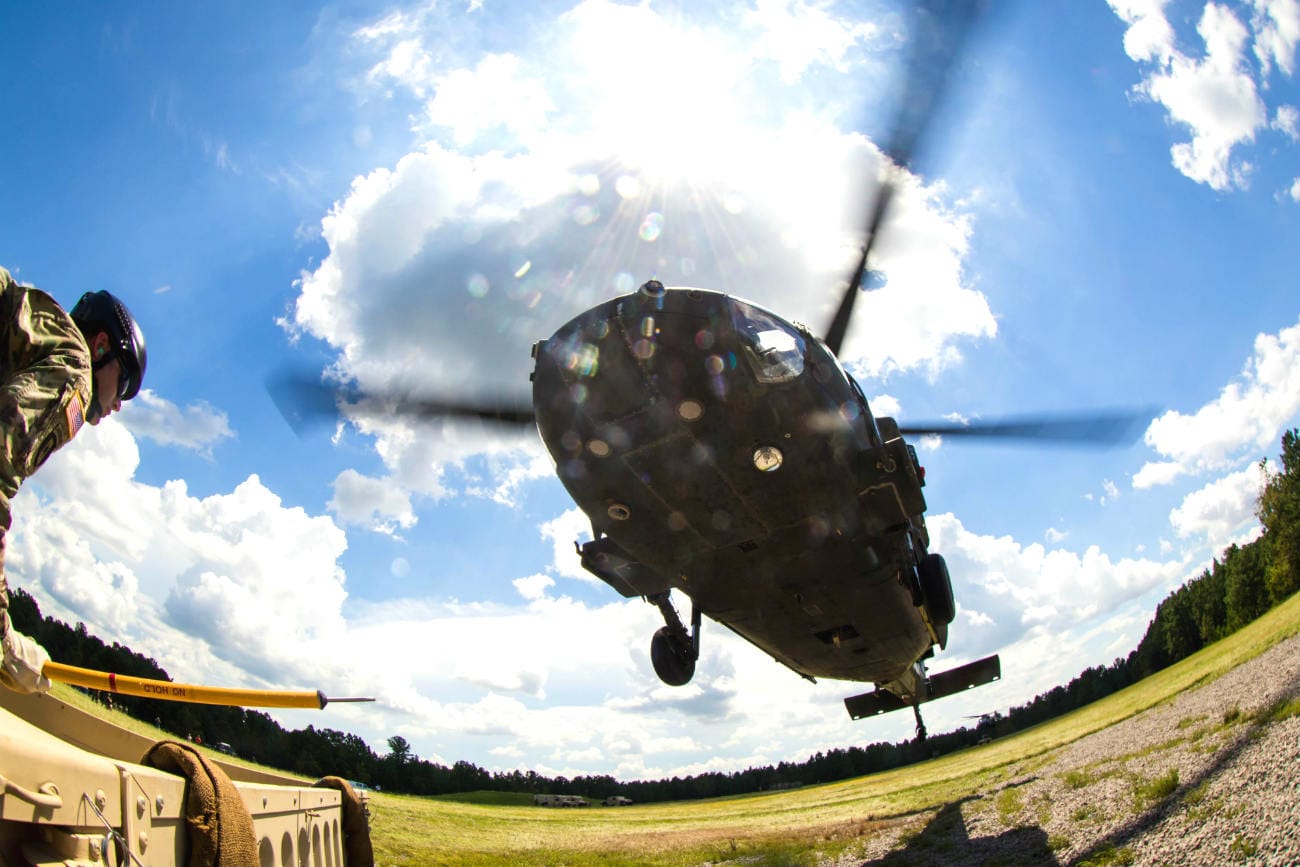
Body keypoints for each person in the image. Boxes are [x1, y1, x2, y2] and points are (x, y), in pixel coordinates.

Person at [0, 265, 146, 693]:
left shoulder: (33, 328)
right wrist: (6, 647)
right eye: (122, 386)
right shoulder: (75, 372)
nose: (117, 405)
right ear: (100, 346)